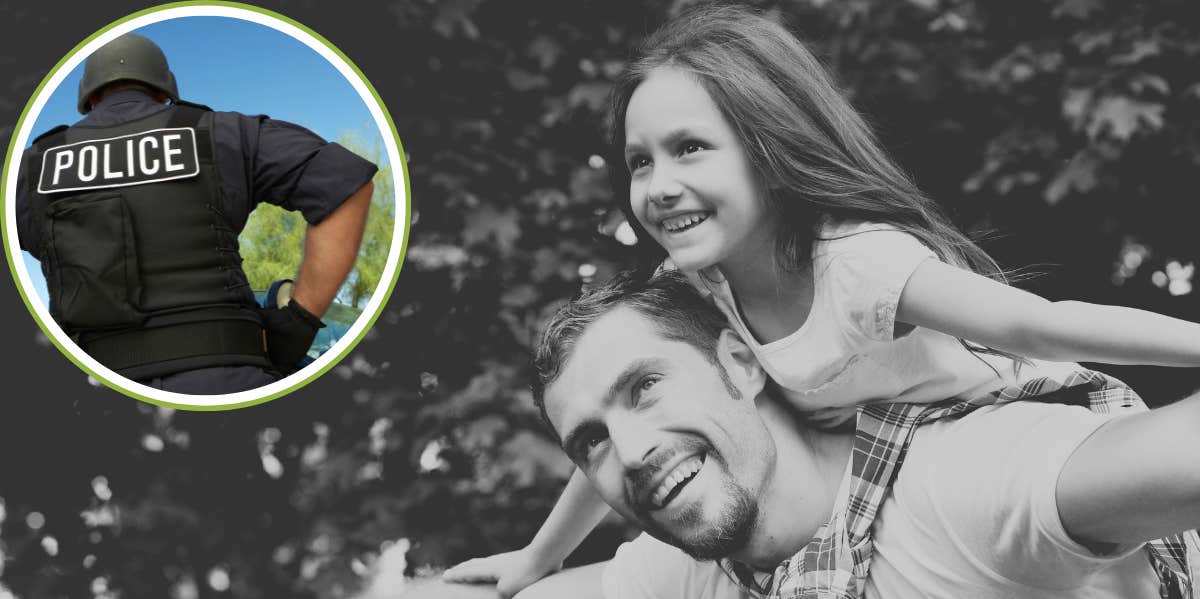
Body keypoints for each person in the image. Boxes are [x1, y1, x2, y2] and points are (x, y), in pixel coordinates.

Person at [443, 5, 1200, 596]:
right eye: (639, 162)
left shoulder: (859, 267)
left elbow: (1039, 321)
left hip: (987, 413)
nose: (658, 184)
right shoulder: (697, 290)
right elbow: (615, 436)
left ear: (767, 152)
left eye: (690, 148)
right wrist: (534, 558)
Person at [528, 270, 1198, 598]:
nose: (632, 449)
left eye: (645, 385)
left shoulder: (956, 486)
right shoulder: (696, 568)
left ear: (740, 362)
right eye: (590, 440)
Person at [15, 32, 376, 394]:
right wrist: (298, 322)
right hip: (228, 382)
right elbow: (345, 184)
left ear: (89, 98)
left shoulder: (32, 168)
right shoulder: (222, 133)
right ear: (163, 91)